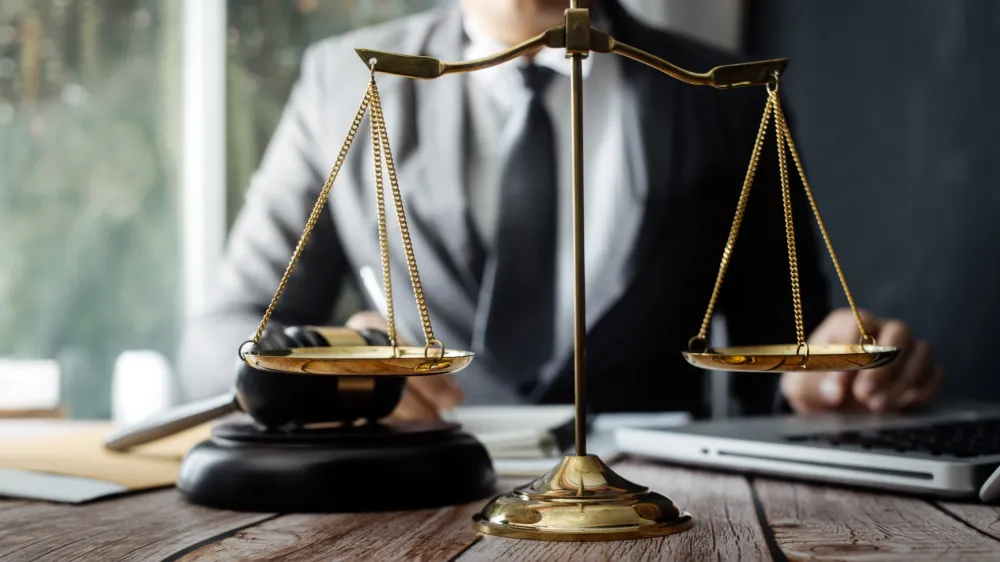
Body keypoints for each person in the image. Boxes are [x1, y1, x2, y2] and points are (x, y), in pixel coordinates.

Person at [179, 0, 943, 420]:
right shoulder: (341, 84)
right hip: (416, 496)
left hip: (654, 511)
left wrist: (836, 367)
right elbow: (221, 337)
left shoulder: (722, 96)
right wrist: (322, 370)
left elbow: (783, 348)